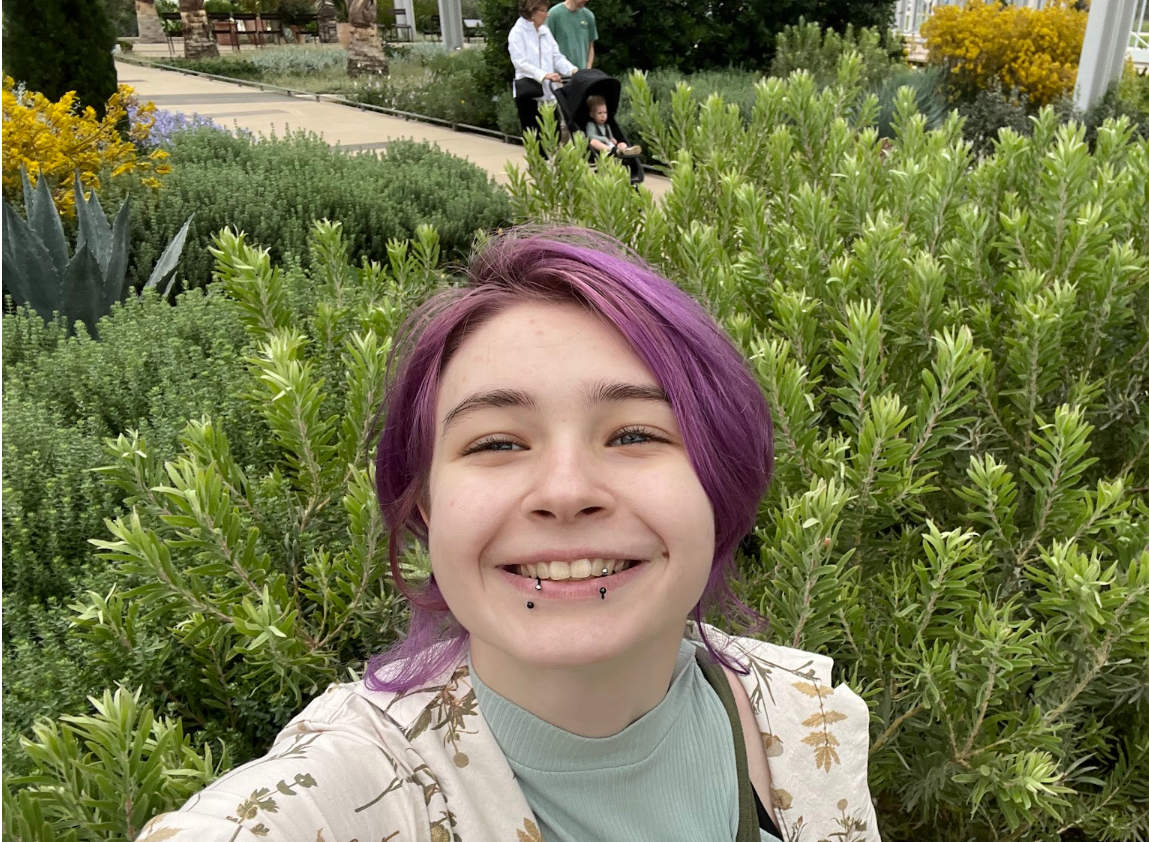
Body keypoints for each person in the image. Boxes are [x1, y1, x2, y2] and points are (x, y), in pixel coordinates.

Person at [134, 228, 882, 842]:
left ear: (720, 482)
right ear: (423, 503)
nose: (564, 492)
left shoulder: (802, 713)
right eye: (495, 443)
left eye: (632, 434)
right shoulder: (335, 799)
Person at [508, 0, 576, 138]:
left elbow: (556, 56)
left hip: (549, 93)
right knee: (535, 138)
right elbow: (520, 62)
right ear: (532, 12)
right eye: (543, 11)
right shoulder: (517, 32)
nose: (547, 15)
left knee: (554, 136)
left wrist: (573, 70)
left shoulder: (545, 31)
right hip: (529, 94)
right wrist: (544, 75)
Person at [583, 93, 641, 158]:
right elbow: (590, 136)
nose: (603, 116)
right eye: (599, 113)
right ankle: (614, 151)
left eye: (605, 112)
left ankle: (625, 150)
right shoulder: (591, 125)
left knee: (622, 143)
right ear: (592, 114)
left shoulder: (607, 126)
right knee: (593, 142)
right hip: (602, 148)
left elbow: (610, 137)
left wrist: (612, 139)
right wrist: (603, 139)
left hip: (610, 145)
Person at [546, 0, 597, 70]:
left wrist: (588, 69)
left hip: (581, 73)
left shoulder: (588, 15)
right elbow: (546, 46)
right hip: (559, 75)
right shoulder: (553, 14)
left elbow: (590, 46)